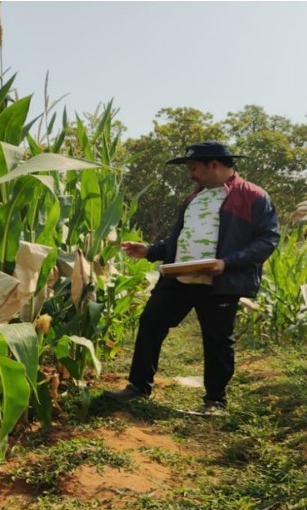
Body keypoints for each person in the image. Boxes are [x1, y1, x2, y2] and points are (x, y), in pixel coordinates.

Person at [105, 141, 280, 413]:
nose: (191, 175)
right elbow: (179, 240)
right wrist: (150, 251)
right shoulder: (194, 197)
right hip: (179, 277)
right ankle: (139, 386)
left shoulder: (253, 196)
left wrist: (227, 263)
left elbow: (268, 239)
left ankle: (215, 401)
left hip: (219, 281)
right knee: (151, 321)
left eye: (194, 168)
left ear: (215, 165)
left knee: (217, 339)